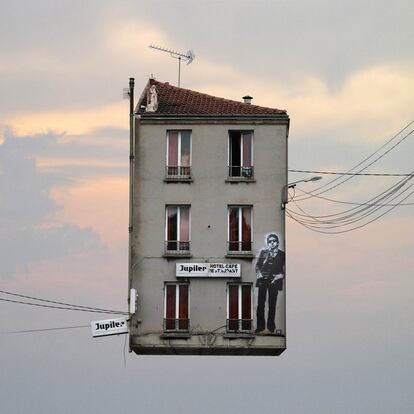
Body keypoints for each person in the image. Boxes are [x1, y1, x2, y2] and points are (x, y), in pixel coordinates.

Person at [255, 233, 285, 334]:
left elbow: (285, 270)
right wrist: (259, 273)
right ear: (268, 243)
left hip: (274, 281)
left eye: (274, 241)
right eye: (270, 241)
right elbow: (257, 266)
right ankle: (260, 326)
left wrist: (280, 276)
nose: (272, 243)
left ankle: (271, 326)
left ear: (277, 242)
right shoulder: (264, 252)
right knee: (260, 304)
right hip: (263, 280)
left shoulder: (282, 254)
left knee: (272, 304)